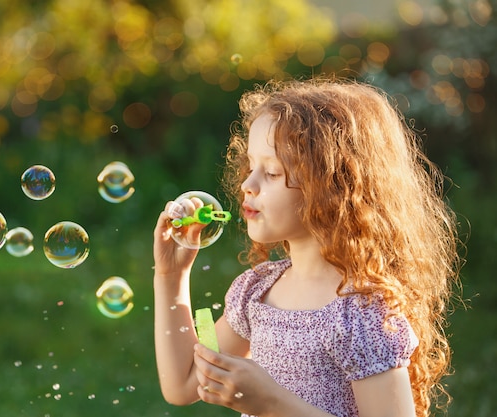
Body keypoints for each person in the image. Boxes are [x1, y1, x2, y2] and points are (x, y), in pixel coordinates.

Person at [152, 78, 461, 417]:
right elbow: (183, 384)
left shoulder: (360, 316)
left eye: (271, 172)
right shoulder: (257, 292)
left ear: (333, 186)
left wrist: (272, 403)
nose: (247, 184)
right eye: (251, 166)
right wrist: (171, 276)